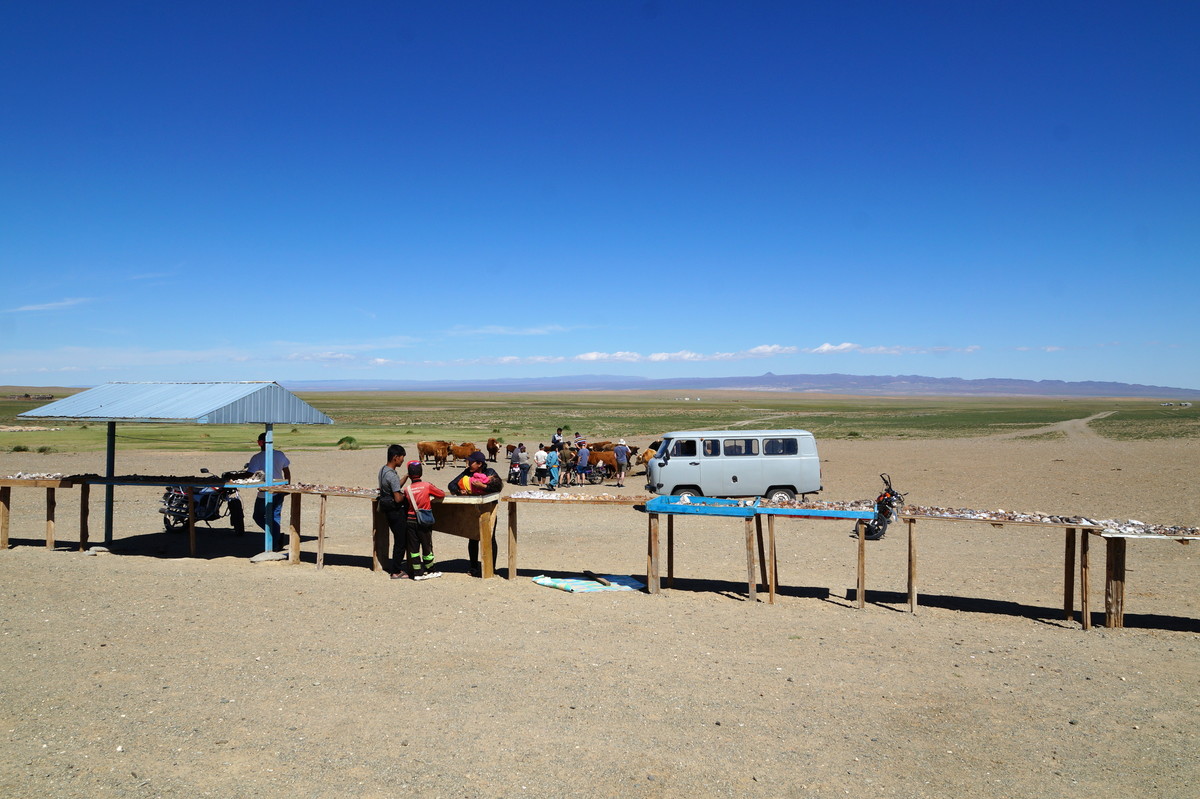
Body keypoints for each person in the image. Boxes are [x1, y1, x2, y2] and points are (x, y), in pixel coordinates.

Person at [446, 451, 502, 575]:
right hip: (472, 510)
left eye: (471, 462)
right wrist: (459, 491)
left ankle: (491, 567)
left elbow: (498, 487)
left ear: (479, 464)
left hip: (489, 510)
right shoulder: (467, 473)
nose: (469, 464)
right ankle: (473, 567)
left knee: (490, 538)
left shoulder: (490, 472)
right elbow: (451, 485)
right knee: (472, 537)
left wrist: (483, 486)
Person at [246, 432, 292, 550]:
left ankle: (274, 538)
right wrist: (287, 486)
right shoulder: (280, 454)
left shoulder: (257, 457)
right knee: (275, 516)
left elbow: (249, 474)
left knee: (258, 516)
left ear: (260, 443)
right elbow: (286, 471)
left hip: (265, 492)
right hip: (280, 489)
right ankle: (275, 541)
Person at [403, 461, 445, 580]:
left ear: (409, 475)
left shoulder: (407, 489)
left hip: (410, 521)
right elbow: (441, 494)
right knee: (427, 546)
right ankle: (430, 570)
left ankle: (417, 573)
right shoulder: (427, 486)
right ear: (421, 473)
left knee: (414, 548)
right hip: (424, 521)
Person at [378, 445, 412, 579]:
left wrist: (406, 476)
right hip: (395, 511)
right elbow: (398, 498)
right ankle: (396, 571)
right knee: (400, 541)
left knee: (398, 539)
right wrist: (407, 495)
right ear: (395, 457)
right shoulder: (391, 475)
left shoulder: (383, 470)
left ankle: (395, 568)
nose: (403, 460)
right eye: (402, 457)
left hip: (387, 508)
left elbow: (395, 485)